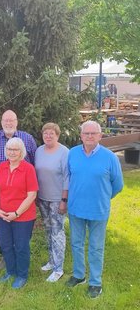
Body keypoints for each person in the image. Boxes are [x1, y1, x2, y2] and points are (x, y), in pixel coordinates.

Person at [66, 120, 123, 299]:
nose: (89, 136)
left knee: (96, 247)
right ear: (81, 135)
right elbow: (68, 177)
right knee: (76, 243)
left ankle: (95, 282)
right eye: (86, 133)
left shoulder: (110, 157)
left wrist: (103, 198)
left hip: (98, 210)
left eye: (93, 133)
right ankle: (79, 275)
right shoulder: (72, 153)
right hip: (75, 209)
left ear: (100, 135)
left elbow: (118, 185)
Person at [0, 109, 37, 269]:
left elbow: (34, 160)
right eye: (5, 120)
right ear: (1, 122)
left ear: (17, 122)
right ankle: (8, 263)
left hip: (22, 198)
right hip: (2, 196)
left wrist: (16, 213)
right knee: (5, 241)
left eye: (12, 120)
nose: (8, 123)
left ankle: (21, 271)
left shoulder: (27, 139)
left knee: (21, 243)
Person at [0, 138, 39, 289]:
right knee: (6, 245)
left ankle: (22, 275)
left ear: (22, 152)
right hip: (3, 214)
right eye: (9, 149)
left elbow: (32, 194)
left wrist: (17, 213)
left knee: (21, 246)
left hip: (23, 216)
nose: (12, 152)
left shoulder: (28, 168)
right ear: (6, 151)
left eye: (16, 149)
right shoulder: (2, 166)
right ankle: (10, 271)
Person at [35, 123, 69, 282]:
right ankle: (51, 260)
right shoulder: (38, 151)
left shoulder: (64, 152)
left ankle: (58, 268)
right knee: (48, 231)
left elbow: (68, 178)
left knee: (57, 232)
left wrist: (64, 200)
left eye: (51, 133)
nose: (48, 136)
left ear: (57, 135)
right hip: (42, 198)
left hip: (57, 199)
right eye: (45, 133)